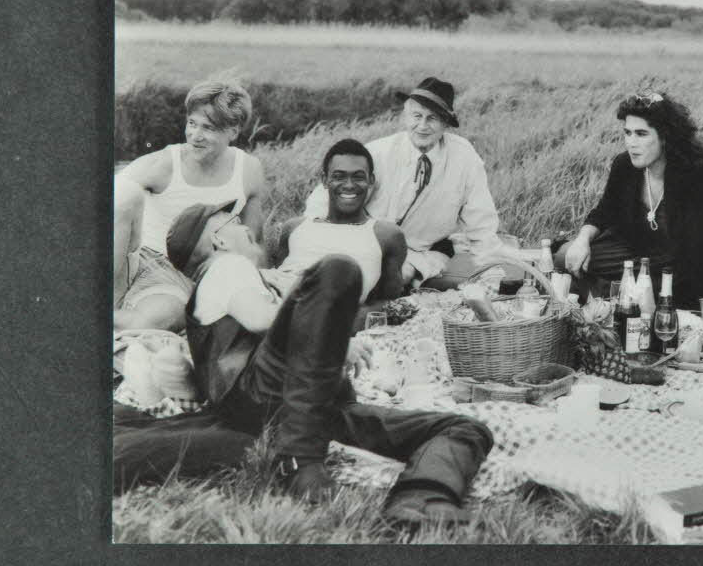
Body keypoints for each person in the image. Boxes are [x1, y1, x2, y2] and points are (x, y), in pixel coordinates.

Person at [113, 199, 494, 527]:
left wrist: (325, 338)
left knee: (463, 427)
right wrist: (330, 335)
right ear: (218, 239)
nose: (246, 227)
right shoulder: (226, 266)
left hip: (303, 410)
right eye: (234, 223)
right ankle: (306, 460)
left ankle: (421, 501)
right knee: (337, 271)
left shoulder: (236, 276)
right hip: (261, 394)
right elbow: (262, 320)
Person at [303, 77, 502, 287]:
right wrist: (315, 236)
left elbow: (481, 221)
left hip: (417, 253)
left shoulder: (464, 158)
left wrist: (492, 274)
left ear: (445, 123)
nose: (422, 126)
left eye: (432, 118)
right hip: (364, 242)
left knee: (396, 279)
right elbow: (325, 199)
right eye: (416, 116)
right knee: (341, 277)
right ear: (406, 117)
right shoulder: (378, 152)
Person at [114, 80, 266, 332]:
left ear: (233, 131)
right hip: (141, 262)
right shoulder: (163, 163)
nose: (195, 136)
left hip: (191, 273)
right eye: (192, 123)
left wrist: (257, 290)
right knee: (124, 192)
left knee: (162, 319)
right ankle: (98, 304)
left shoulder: (249, 170)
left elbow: (255, 241)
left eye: (208, 128)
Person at [557, 91, 703, 311]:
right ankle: (615, 290)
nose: (631, 143)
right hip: (631, 251)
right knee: (564, 256)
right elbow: (605, 211)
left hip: (672, 262)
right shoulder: (624, 165)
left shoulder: (694, 172)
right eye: (628, 133)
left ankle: (612, 292)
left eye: (641, 134)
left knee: (650, 295)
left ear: (664, 136)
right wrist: (582, 240)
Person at [265, 139, 406, 331]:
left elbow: (389, 303)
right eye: (339, 176)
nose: (349, 185)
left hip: (326, 315)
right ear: (325, 180)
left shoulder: (386, 235)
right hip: (271, 302)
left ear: (371, 180)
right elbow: (278, 276)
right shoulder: (295, 227)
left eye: (358, 177)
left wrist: (343, 324)